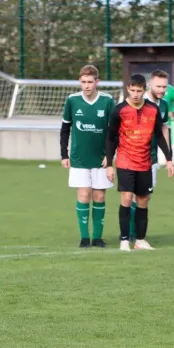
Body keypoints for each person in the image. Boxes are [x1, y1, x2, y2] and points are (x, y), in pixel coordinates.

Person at [105, 74, 174, 252]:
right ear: (128, 89)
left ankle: (140, 240)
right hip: (125, 160)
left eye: (139, 90)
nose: (135, 94)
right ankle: (124, 240)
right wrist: (109, 164)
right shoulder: (118, 110)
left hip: (145, 162)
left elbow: (159, 135)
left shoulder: (153, 109)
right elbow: (111, 138)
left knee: (143, 200)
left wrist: (168, 159)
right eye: (132, 90)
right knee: (127, 198)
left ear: (144, 90)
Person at [60, 64, 115, 248]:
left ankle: (97, 238)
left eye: (90, 82)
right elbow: (65, 128)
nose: (86, 86)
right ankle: (84, 238)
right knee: (84, 195)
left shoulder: (107, 101)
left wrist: (110, 156)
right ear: (79, 82)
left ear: (97, 82)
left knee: (99, 196)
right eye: (83, 82)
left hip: (101, 159)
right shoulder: (72, 100)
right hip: (79, 158)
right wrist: (64, 154)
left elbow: (113, 131)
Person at [129, 69, 171, 241]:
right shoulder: (138, 102)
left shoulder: (164, 105)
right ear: (149, 86)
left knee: (145, 196)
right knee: (131, 194)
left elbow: (164, 129)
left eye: (164, 87)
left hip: (152, 158)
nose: (161, 90)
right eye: (158, 86)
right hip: (133, 155)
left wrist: (168, 157)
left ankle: (136, 232)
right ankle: (131, 233)